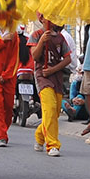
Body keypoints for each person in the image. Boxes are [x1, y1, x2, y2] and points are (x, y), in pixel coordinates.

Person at [31, 16, 69, 157]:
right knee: (50, 108)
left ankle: (39, 135)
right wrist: (42, 41)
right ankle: (52, 144)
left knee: (55, 112)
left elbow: (67, 59)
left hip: (57, 77)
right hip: (42, 77)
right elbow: (35, 56)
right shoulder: (36, 35)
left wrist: (53, 70)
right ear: (41, 19)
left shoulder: (60, 38)